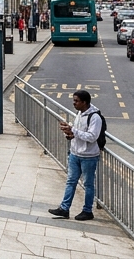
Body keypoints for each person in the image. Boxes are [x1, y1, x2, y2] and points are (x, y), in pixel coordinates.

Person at [49, 90, 104, 221]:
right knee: (70, 181)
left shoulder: (95, 118)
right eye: (74, 100)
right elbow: (78, 131)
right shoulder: (79, 113)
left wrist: (73, 130)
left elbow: (92, 136)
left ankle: (87, 211)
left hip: (89, 156)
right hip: (75, 153)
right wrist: (69, 133)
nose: (74, 103)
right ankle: (64, 208)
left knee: (88, 184)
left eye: (76, 101)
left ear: (84, 102)